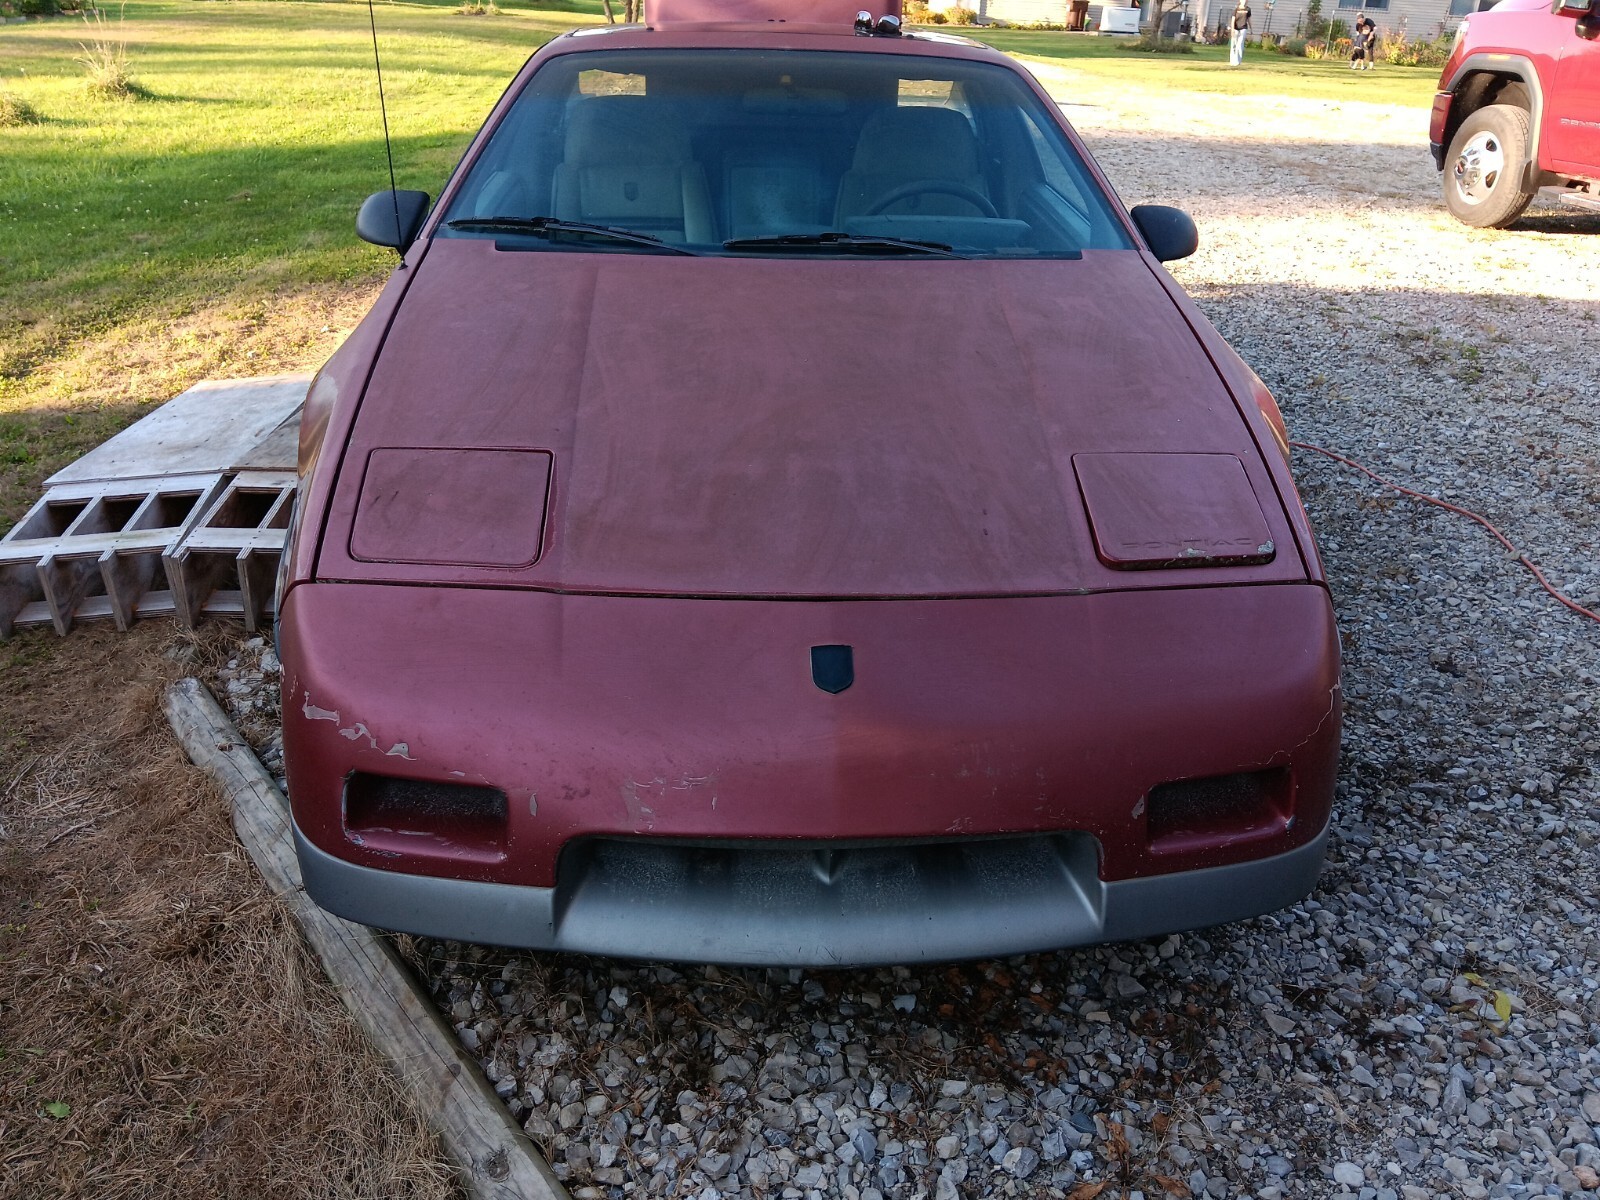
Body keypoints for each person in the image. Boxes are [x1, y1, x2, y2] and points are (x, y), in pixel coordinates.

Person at [1229, 0, 1251, 66]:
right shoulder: (1236, 9)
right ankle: (1232, 61)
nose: (1244, 1)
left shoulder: (1248, 9)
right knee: (1234, 44)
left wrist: (1251, 29)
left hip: (1243, 28)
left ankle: (1238, 61)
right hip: (1235, 28)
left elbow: (1249, 19)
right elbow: (1233, 20)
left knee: (1240, 43)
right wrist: (1232, 29)